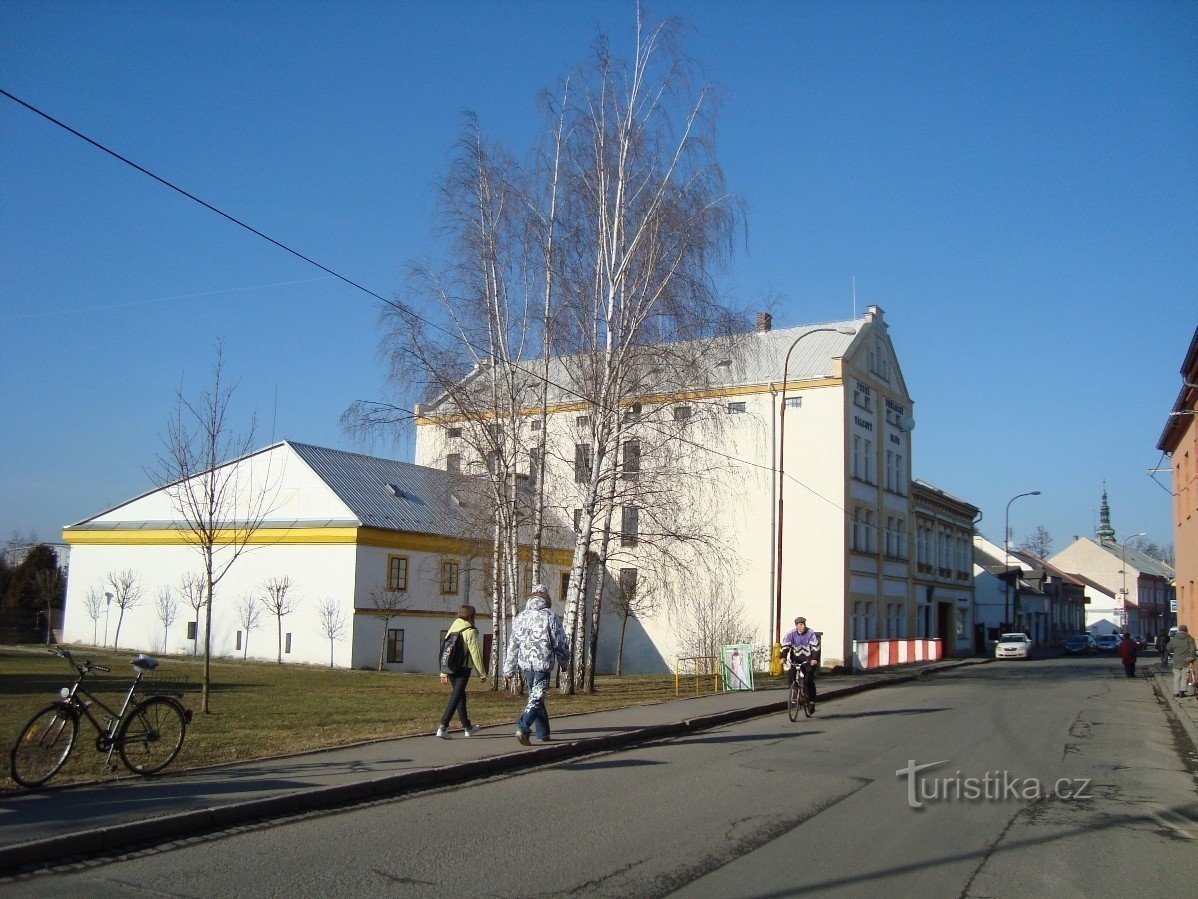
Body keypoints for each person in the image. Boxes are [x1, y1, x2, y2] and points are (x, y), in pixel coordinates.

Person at [503, 583, 570, 745]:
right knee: (537, 697)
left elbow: (513, 644)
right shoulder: (550, 616)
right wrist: (564, 661)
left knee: (536, 696)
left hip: (526, 664)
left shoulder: (521, 617)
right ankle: (523, 727)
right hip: (542, 662)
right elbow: (560, 642)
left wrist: (509, 668)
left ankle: (543, 733)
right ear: (546, 598)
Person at [435, 604, 486, 739]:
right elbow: (475, 653)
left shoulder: (453, 627)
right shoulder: (470, 631)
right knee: (456, 696)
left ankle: (467, 727)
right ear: (471, 616)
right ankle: (442, 726)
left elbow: (446, 651)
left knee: (460, 696)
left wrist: (443, 672)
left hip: (450, 668)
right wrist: (482, 672)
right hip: (463, 668)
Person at [781, 616, 821, 705]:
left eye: (804, 624)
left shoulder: (810, 633)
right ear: (796, 626)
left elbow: (815, 648)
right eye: (801, 624)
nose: (803, 626)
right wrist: (783, 657)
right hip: (795, 660)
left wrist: (814, 659)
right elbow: (785, 646)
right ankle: (795, 694)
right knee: (791, 676)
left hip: (808, 660)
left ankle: (810, 700)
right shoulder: (791, 634)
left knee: (808, 679)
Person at [1166, 625, 1196, 697]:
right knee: (1185, 675)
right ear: (1186, 630)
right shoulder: (1190, 639)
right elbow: (1192, 649)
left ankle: (1176, 692)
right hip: (1187, 660)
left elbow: (1168, 647)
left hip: (1176, 660)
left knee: (1177, 676)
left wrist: (1174, 651)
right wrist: (1192, 657)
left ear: (1179, 630)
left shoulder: (1174, 639)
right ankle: (1182, 691)